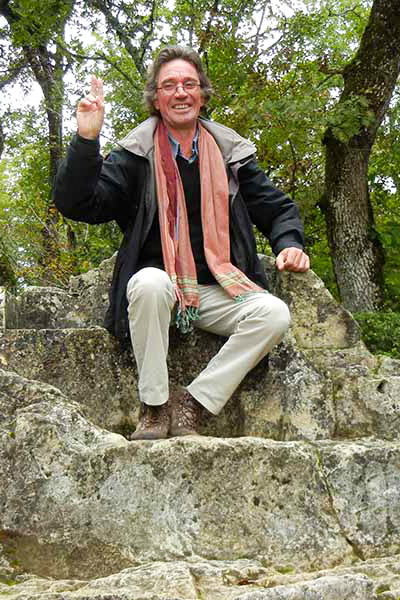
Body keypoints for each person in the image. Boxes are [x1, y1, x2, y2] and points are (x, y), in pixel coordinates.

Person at [54, 45, 310, 441]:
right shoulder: (135, 155)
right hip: (159, 293)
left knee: (274, 314)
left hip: (217, 289)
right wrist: (87, 140)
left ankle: (193, 403)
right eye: (169, 85)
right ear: (156, 98)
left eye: (189, 84)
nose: (180, 92)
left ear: (202, 95)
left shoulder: (231, 154)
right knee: (149, 283)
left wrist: (288, 243)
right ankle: (154, 407)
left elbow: (276, 208)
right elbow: (80, 203)